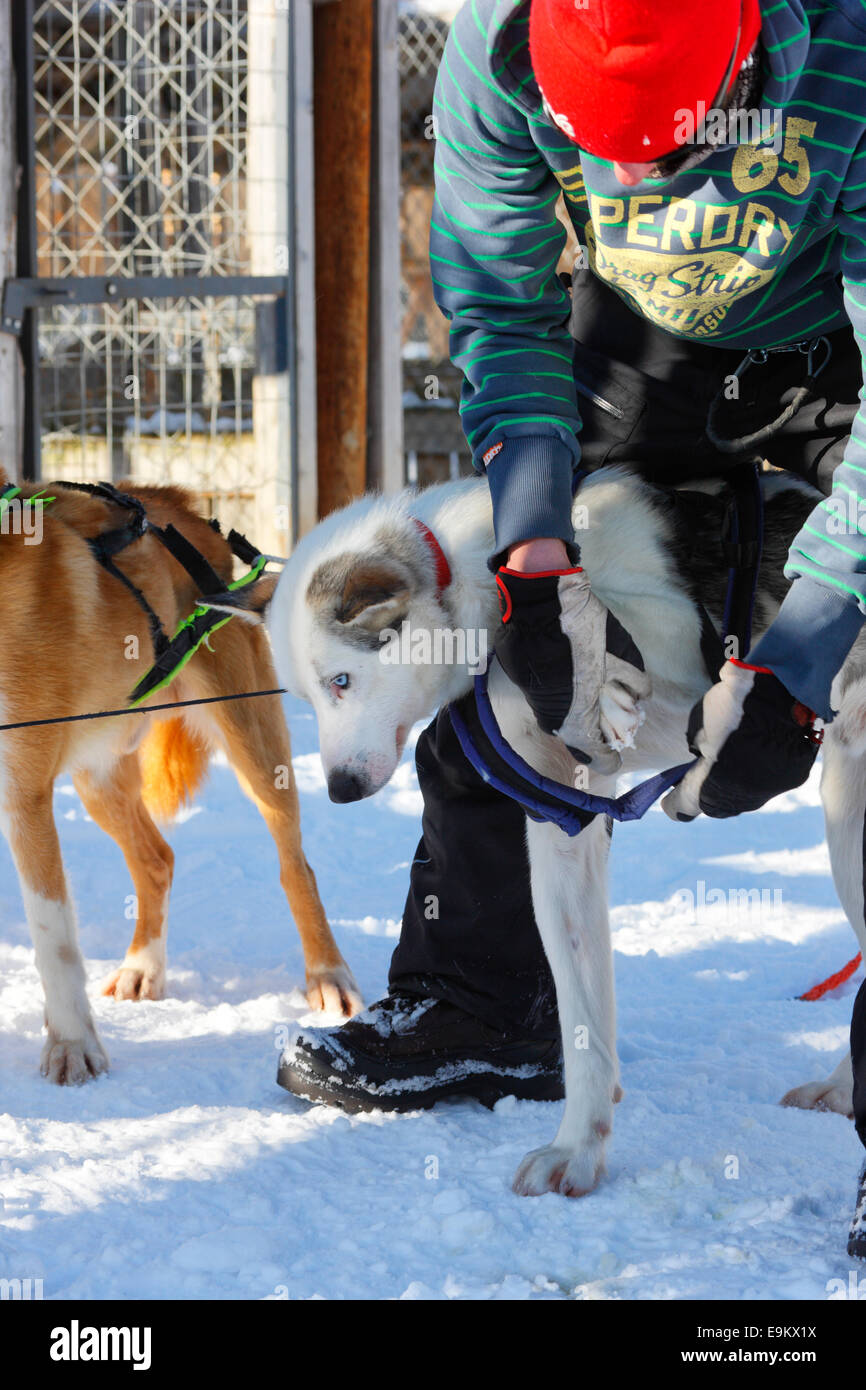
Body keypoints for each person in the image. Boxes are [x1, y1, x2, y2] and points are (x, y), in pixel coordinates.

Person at [282, 0, 866, 1251]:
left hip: (834, 352)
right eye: (595, 150)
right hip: (629, 354)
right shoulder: (498, 56)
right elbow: (501, 308)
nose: (630, 184)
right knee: (504, 711)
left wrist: (805, 651)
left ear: (749, 57)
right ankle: (479, 1007)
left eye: (660, 154)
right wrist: (535, 553)